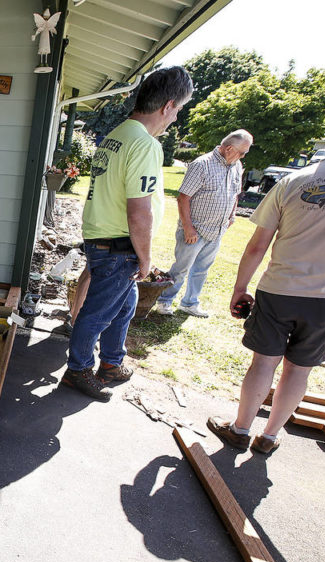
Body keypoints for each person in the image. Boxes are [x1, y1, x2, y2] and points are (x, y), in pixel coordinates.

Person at [208, 104, 325, 455]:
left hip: (280, 288)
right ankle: (268, 437)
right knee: (299, 369)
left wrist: (240, 288)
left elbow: (256, 247)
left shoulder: (294, 179)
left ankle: (240, 429)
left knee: (263, 362)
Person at [61, 66, 194, 401]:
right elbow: (139, 211)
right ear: (167, 106)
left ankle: (112, 363)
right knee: (97, 312)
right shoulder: (145, 145)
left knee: (125, 305)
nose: (175, 119)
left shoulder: (117, 135)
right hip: (119, 245)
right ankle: (77, 370)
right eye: (178, 110)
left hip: (102, 237)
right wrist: (146, 260)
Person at [156, 130, 253, 317]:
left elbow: (235, 194)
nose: (243, 156)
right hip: (195, 230)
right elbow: (183, 197)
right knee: (181, 268)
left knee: (201, 269)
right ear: (229, 148)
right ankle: (164, 301)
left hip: (217, 230)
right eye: (242, 152)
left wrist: (231, 217)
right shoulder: (202, 164)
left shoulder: (236, 165)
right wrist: (188, 228)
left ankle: (190, 303)